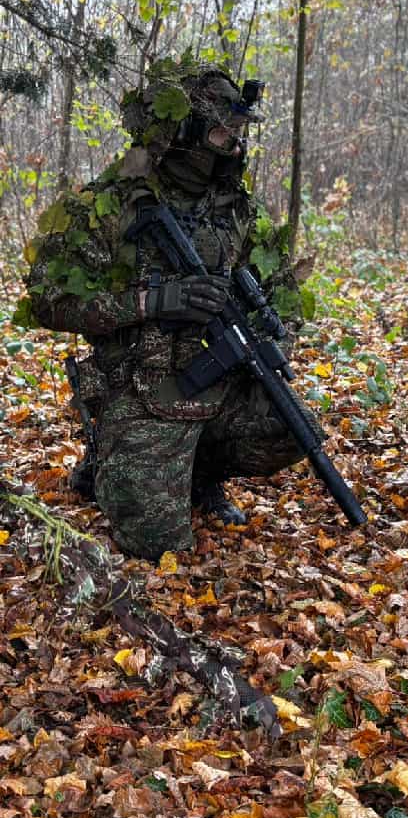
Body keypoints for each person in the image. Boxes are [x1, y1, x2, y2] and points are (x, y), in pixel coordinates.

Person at [24, 53, 316, 561]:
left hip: (213, 382)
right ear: (183, 132)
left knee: (292, 428)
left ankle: (199, 473)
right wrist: (151, 302)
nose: (236, 147)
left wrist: (272, 328)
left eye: (239, 136)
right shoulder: (112, 206)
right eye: (223, 135)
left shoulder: (234, 210)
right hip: (138, 388)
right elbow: (49, 301)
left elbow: (275, 291)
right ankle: (108, 457)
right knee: (159, 547)